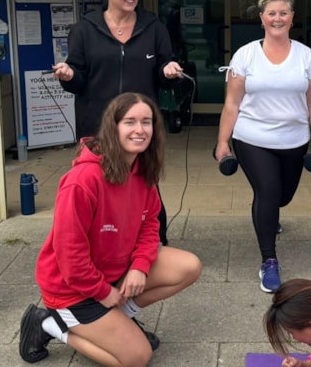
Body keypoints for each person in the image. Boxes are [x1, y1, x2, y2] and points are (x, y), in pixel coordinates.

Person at [18, 93, 202, 366]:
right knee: (137, 358)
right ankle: (49, 324)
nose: (140, 130)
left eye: (147, 122)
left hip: (112, 275)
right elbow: (70, 256)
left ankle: (118, 319)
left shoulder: (142, 169)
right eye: (130, 122)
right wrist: (103, 292)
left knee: (189, 266)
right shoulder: (82, 181)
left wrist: (140, 266)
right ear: (113, 127)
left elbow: (150, 224)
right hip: (72, 291)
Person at [53, 0, 184, 246]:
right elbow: (78, 79)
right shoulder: (85, 29)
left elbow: (163, 69)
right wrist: (69, 75)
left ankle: (153, 245)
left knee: (145, 187)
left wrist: (169, 70)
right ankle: (99, 247)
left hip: (140, 126)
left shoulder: (153, 27)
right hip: (97, 124)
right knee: (98, 188)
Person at [215, 0, 311, 294]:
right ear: (262, 18)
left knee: (282, 197)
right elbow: (232, 104)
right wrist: (222, 143)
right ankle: (269, 260)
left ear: (292, 18)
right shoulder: (246, 55)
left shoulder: (306, 57)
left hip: (293, 140)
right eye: (271, 13)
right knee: (267, 191)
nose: (277, 18)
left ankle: (270, 215)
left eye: (283, 13)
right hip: (252, 137)